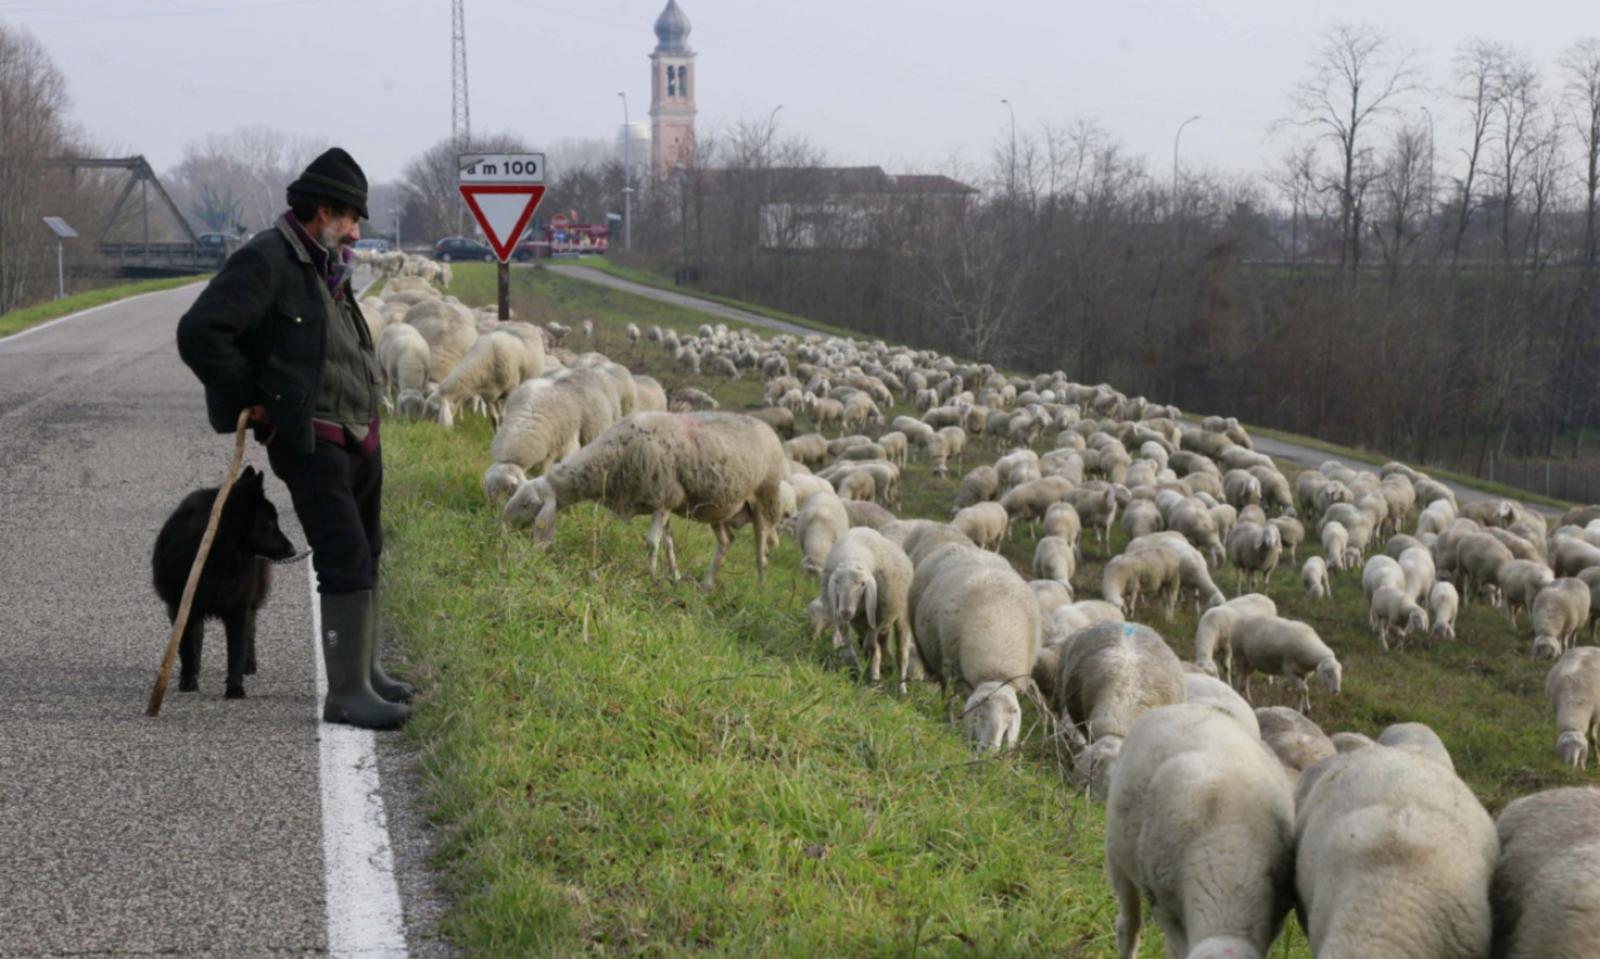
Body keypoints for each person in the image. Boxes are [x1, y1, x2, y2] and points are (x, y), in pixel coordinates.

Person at [176, 147, 409, 730]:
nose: (356, 231)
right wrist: (251, 397)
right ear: (323, 211)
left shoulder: (327, 262)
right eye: (350, 217)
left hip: (357, 429)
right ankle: (346, 694)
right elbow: (200, 332)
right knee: (343, 554)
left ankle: (368, 673)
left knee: (369, 548)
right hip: (310, 435)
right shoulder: (267, 260)